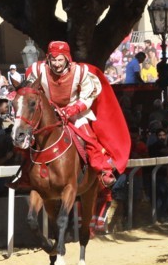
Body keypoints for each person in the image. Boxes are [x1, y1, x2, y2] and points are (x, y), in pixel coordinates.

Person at [15, 41, 130, 188]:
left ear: (67, 58)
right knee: (29, 137)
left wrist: (72, 110)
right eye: (53, 59)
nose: (56, 64)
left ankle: (103, 171)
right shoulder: (38, 70)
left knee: (89, 139)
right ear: (48, 58)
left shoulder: (80, 72)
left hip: (75, 113)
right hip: (49, 111)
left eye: (60, 60)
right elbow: (31, 91)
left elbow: (88, 95)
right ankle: (25, 174)